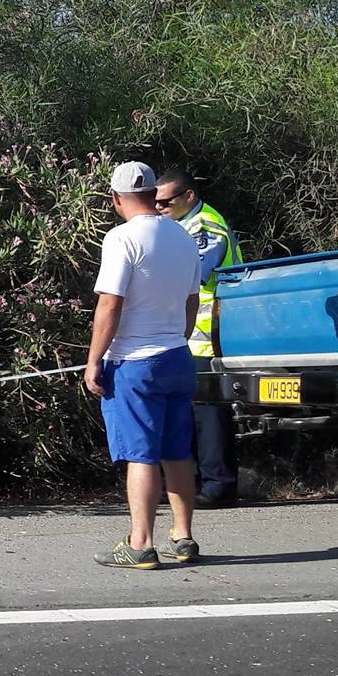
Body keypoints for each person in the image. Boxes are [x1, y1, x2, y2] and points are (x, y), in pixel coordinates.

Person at [85, 162, 204, 569]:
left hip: (135, 361)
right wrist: (179, 338)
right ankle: (183, 536)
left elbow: (110, 304)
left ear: (116, 199)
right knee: (177, 452)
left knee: (141, 454)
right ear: (154, 193)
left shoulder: (120, 238)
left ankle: (140, 543)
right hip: (176, 356)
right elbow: (193, 301)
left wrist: (93, 360)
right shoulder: (184, 238)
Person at [156, 169, 244, 509]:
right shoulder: (180, 227)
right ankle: (188, 483)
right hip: (185, 335)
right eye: (155, 201)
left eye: (166, 200)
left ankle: (219, 485)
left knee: (209, 414)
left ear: (189, 196)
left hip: (209, 336)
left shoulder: (206, 226)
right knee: (185, 412)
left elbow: (194, 273)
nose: (159, 206)